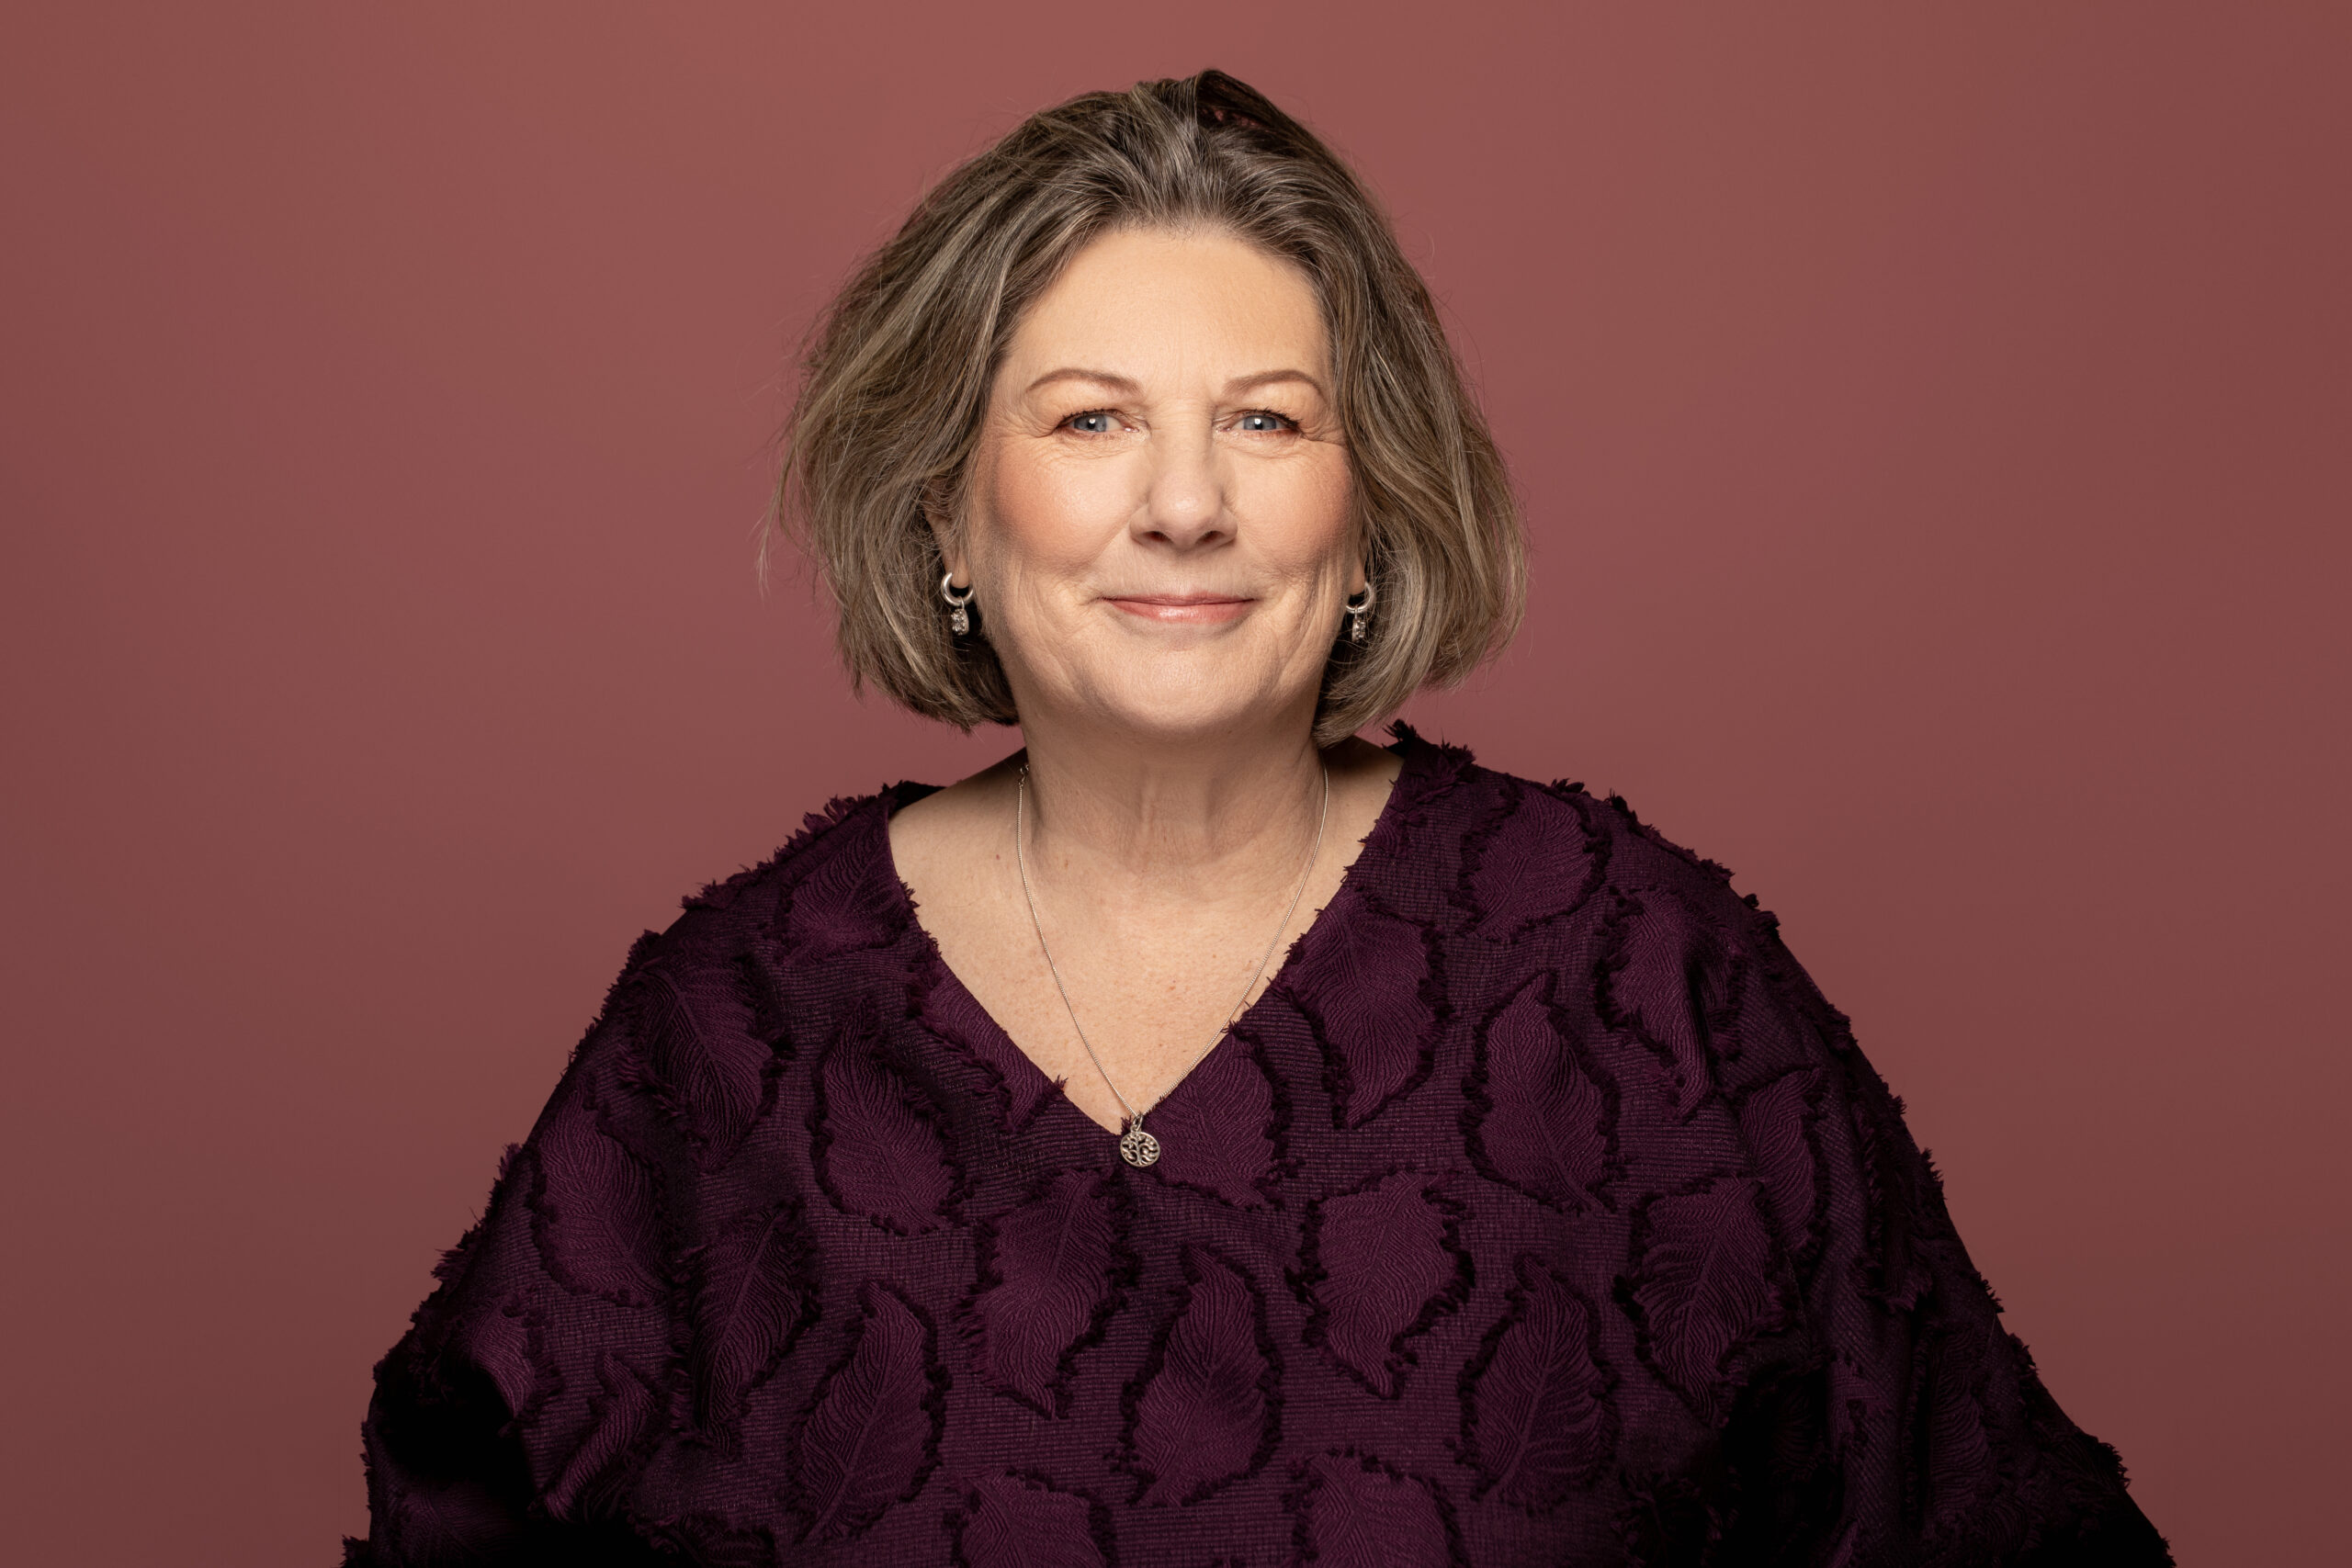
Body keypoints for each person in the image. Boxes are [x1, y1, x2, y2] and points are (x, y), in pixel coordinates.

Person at [346, 70, 2170, 1567]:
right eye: (1089, 422)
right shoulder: (725, 1038)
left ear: (1371, 516)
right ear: (946, 515)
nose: (1185, 505)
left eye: (1268, 424)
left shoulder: (1639, 985)